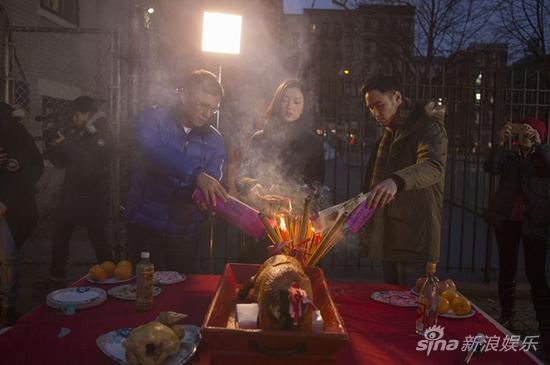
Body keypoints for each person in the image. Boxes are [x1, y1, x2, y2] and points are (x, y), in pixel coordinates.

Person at [124, 69, 228, 273]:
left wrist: (202, 198)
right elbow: (152, 152)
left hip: (185, 231)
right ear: (184, 96)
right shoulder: (153, 117)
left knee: (181, 294)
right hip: (145, 224)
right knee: (143, 290)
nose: (207, 114)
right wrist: (197, 175)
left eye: (213, 109)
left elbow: (213, 175)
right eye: (202, 105)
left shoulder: (215, 140)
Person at [360, 74, 447, 285]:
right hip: (390, 232)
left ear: (397, 97)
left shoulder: (428, 127)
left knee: (411, 307)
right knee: (390, 303)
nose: (375, 113)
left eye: (379, 105)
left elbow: (432, 166)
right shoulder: (390, 133)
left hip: (414, 235)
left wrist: (396, 181)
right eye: (370, 108)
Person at [237, 79, 325, 262]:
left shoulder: (313, 144)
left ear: (303, 108)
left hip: (294, 227)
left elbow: (316, 187)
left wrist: (290, 193)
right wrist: (254, 186)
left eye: (296, 101)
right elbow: (242, 177)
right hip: (261, 223)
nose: (289, 106)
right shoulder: (259, 139)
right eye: (285, 100)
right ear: (277, 102)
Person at [484, 117, 550, 354]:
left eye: (531, 133)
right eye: (523, 132)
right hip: (508, 221)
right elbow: (491, 167)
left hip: (535, 223)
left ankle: (546, 329)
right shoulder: (510, 155)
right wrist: (501, 143)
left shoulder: (542, 157)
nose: (524, 137)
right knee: (506, 270)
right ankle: (506, 318)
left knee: (536, 276)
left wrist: (540, 145)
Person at [34, 96, 114, 290]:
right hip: (73, 194)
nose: (73, 118)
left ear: (88, 114)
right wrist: (53, 145)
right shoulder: (79, 132)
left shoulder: (101, 133)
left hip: (93, 196)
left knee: (97, 237)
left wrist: (65, 145)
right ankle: (56, 276)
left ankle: (112, 276)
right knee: (61, 233)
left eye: (77, 114)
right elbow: (62, 162)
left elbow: (88, 163)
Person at [0, 103, 44, 327]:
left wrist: (6, 199)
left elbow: (33, 166)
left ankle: (6, 310)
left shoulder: (12, 129)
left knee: (7, 257)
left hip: (11, 205)